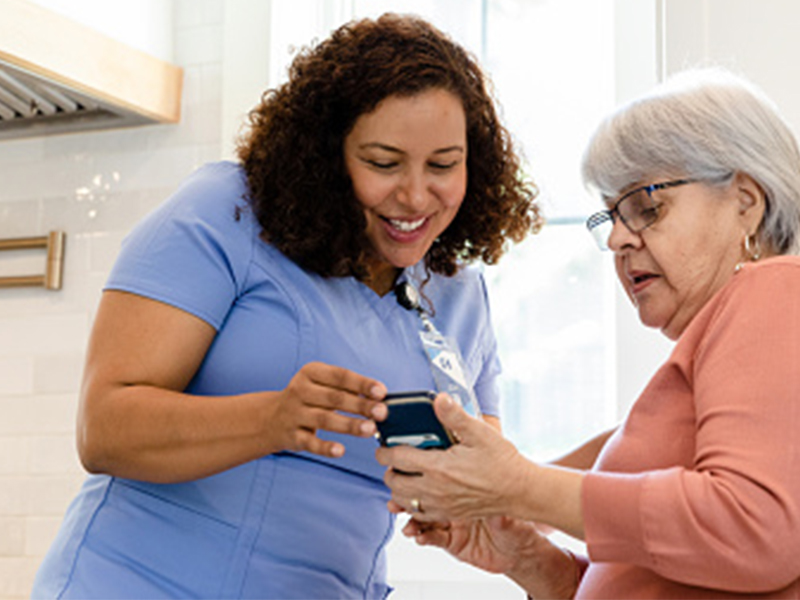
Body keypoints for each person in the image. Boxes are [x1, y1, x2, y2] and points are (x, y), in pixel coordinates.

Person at [30, 13, 540, 600]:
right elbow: (104, 429)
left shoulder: (457, 293)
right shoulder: (229, 214)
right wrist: (270, 421)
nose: (416, 195)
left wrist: (461, 501)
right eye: (382, 162)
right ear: (328, 155)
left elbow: (483, 472)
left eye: (444, 165)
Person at [377, 67, 800, 598]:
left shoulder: (776, 291)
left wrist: (521, 487)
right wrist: (529, 557)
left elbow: (753, 529)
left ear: (746, 201)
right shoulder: (728, 344)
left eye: (646, 207)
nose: (620, 238)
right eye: (612, 218)